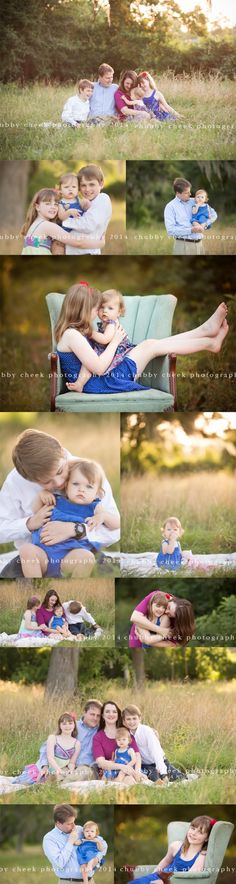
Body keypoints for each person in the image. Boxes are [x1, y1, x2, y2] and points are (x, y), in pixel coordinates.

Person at [55, 283, 229, 398]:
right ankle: (208, 340)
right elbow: (99, 368)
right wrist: (115, 341)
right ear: (83, 309)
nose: (97, 313)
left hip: (102, 376)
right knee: (150, 346)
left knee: (152, 344)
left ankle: (205, 333)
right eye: (95, 309)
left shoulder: (77, 332)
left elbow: (90, 361)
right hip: (103, 380)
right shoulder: (72, 335)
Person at [0, 428, 119, 578]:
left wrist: (77, 530)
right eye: (46, 481)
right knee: (9, 575)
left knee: (111, 571)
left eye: (60, 471)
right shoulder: (15, 482)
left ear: (62, 452)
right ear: (30, 480)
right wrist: (29, 524)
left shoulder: (89, 474)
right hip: (39, 555)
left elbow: (115, 530)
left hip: (77, 552)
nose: (59, 483)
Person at [19, 458, 120, 578]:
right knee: (26, 550)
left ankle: (75, 585)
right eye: (76, 484)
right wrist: (41, 495)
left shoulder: (95, 507)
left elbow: (117, 524)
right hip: (43, 554)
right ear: (66, 486)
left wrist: (103, 517)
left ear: (97, 492)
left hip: (69, 557)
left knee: (87, 558)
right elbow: (36, 510)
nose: (81, 489)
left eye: (89, 486)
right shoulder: (56, 500)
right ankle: (35, 582)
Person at [72, 288, 135, 393]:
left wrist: (90, 333)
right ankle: (79, 383)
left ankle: (80, 383)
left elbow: (105, 339)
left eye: (110, 308)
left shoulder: (112, 324)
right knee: (88, 362)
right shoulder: (105, 323)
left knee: (89, 362)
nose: (105, 311)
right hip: (105, 350)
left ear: (119, 312)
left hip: (115, 352)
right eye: (102, 307)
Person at [131, 815, 215, 882]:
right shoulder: (176, 846)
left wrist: (164, 882)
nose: (194, 833)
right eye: (193, 828)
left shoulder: (201, 856)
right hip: (158, 877)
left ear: (207, 838)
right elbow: (166, 861)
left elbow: (190, 877)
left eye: (200, 832)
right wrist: (154, 874)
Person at [20, 189, 104, 255]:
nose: (53, 207)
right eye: (48, 203)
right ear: (37, 207)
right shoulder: (46, 226)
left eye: (56, 204)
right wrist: (100, 243)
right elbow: (78, 242)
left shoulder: (34, 225)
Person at [38, 700, 103, 782]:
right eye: (92, 714)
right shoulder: (71, 725)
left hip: (87, 767)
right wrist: (45, 765)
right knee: (55, 776)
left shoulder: (100, 731)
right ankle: (46, 787)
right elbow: (46, 746)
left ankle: (61, 787)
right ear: (84, 712)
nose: (95, 718)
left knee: (77, 776)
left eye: (98, 716)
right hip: (67, 765)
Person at [43, 803, 107, 881]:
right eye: (69, 824)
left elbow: (103, 843)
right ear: (58, 823)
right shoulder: (49, 839)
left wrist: (96, 858)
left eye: (74, 821)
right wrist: (70, 842)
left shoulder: (80, 830)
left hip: (90, 881)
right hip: (69, 882)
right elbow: (60, 863)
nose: (74, 826)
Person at [122, 705, 185, 783]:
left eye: (134, 718)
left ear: (140, 718)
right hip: (146, 765)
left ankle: (179, 775)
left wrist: (163, 773)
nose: (132, 722)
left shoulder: (147, 731)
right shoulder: (126, 734)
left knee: (178, 778)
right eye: (128, 719)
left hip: (159, 761)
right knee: (154, 778)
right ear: (124, 721)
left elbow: (156, 751)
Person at [60, 164, 112, 256]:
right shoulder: (83, 203)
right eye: (83, 185)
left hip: (86, 253)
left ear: (101, 184)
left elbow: (88, 225)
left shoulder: (102, 198)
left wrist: (63, 221)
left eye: (92, 184)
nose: (87, 189)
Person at [164, 177, 217, 255]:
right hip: (183, 246)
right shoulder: (170, 207)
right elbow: (170, 230)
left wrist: (205, 224)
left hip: (200, 245)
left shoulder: (196, 201)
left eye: (189, 192)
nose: (190, 194)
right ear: (178, 193)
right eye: (186, 193)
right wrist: (191, 230)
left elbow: (213, 214)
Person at [92, 701, 141, 779]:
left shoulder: (125, 732)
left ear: (118, 715)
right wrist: (122, 767)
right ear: (103, 716)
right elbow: (100, 762)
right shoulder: (98, 737)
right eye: (107, 711)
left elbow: (137, 755)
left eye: (114, 712)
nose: (111, 714)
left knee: (129, 780)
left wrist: (137, 772)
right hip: (109, 771)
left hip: (129, 770)